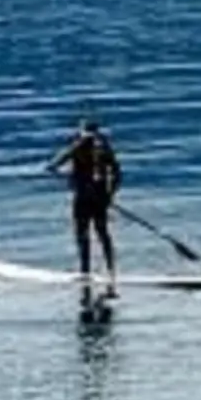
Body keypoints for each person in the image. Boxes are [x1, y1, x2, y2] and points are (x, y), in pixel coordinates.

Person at [48, 118, 121, 286]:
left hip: (83, 197)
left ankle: (85, 270)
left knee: (82, 233)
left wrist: (53, 168)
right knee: (102, 232)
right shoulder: (105, 147)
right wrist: (109, 195)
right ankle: (112, 270)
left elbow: (58, 161)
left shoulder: (79, 144)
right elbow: (117, 174)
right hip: (101, 197)